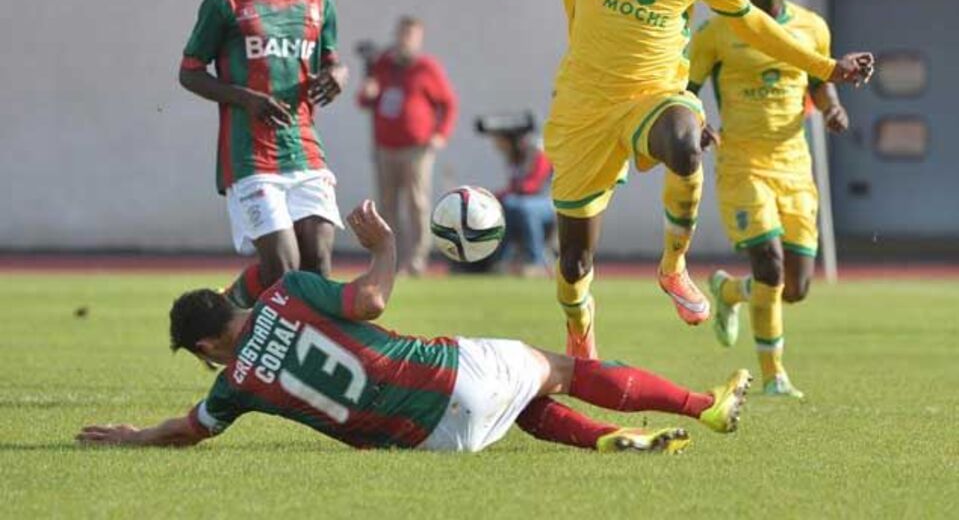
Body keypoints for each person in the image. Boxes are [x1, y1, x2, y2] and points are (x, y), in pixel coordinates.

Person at [497, 0, 874, 359]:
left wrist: (825, 68)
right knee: (574, 262)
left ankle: (673, 267)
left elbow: (751, 23)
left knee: (685, 145)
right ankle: (580, 343)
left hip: (655, 93)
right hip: (584, 105)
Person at [76, 200, 752, 455]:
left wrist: (133, 434)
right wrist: (387, 246)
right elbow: (369, 301)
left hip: (435, 444)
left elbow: (186, 431)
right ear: (229, 306)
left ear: (206, 345)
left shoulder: (236, 385)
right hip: (449, 377)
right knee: (561, 370)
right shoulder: (289, 293)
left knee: (523, 404)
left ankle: (608, 441)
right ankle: (705, 407)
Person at [688, 0, 850, 399]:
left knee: (794, 288)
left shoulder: (812, 28)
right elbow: (687, 87)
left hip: (795, 167)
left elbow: (821, 82)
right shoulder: (718, 31)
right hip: (743, 164)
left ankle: (730, 293)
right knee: (770, 264)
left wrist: (833, 108)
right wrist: (698, 124)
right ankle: (774, 375)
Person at [179, 0, 348, 309]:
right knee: (284, 268)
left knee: (318, 262)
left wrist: (339, 75)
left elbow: (332, 60)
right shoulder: (225, 4)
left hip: (305, 150)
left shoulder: (318, 1)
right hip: (250, 156)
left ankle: (306, 358)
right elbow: (190, 72)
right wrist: (245, 99)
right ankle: (233, 311)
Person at [356, 16, 458, 275]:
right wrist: (367, 92)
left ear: (419, 39)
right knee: (387, 204)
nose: (405, 40)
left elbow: (448, 104)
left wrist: (440, 135)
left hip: (417, 148)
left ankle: (417, 259)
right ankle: (392, 258)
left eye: (411, 36)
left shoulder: (427, 68)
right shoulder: (383, 65)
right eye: (402, 34)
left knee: (416, 203)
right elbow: (365, 101)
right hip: (385, 147)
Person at [492, 132, 554, 274]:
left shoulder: (539, 155)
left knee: (525, 209)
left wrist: (505, 194)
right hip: (522, 201)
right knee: (505, 208)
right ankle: (500, 260)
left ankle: (536, 261)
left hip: (547, 202)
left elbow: (533, 186)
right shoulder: (515, 159)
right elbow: (513, 185)